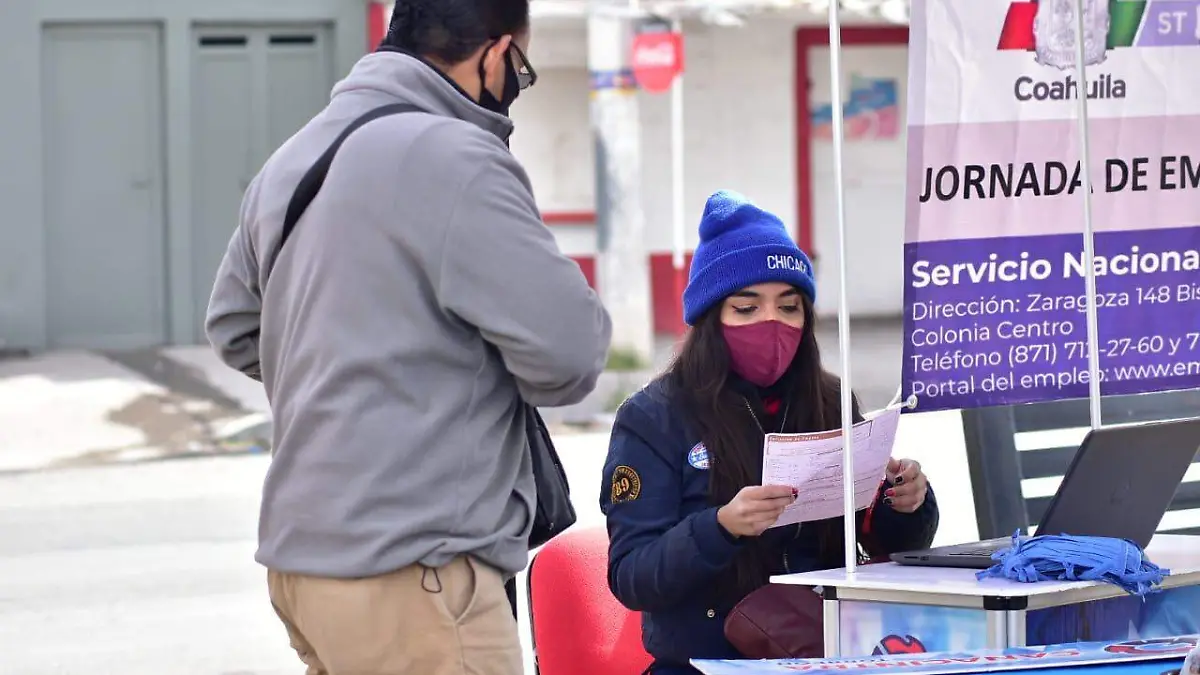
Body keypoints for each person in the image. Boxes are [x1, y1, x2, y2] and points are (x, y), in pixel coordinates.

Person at [205, 1, 612, 673]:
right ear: (495, 56)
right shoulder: (458, 156)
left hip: (304, 566)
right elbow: (568, 355)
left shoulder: (296, 156)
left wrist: (353, 364)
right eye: (522, 72)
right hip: (416, 570)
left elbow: (234, 327)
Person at [600, 190, 939, 675]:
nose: (772, 323)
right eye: (746, 307)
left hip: (828, 654)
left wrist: (906, 502)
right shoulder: (654, 417)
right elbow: (632, 577)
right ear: (711, 318)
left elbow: (890, 545)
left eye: (789, 306)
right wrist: (720, 528)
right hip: (705, 663)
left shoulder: (830, 400)